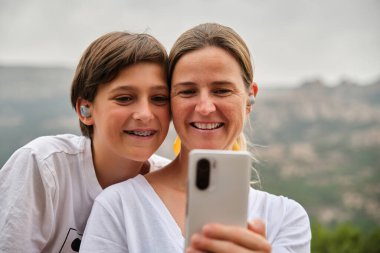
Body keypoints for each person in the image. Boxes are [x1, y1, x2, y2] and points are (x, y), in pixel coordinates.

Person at [80, 23, 311, 253]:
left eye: (221, 90)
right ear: (170, 101)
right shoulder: (118, 206)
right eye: (188, 91)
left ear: (250, 98)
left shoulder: (286, 218)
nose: (205, 108)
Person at [0, 31, 171, 252]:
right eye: (124, 98)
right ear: (85, 109)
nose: (145, 114)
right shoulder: (43, 166)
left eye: (159, 98)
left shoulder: (171, 186)